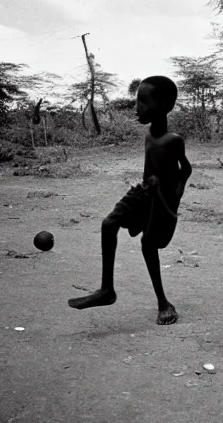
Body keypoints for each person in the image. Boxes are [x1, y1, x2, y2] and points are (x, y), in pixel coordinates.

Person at [68, 76, 191, 325]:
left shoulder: (174, 141)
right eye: (138, 101)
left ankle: (163, 303)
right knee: (108, 224)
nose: (138, 108)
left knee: (149, 246)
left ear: (166, 105)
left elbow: (185, 170)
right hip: (143, 192)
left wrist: (176, 194)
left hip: (162, 201)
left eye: (144, 102)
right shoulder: (149, 135)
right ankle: (107, 290)